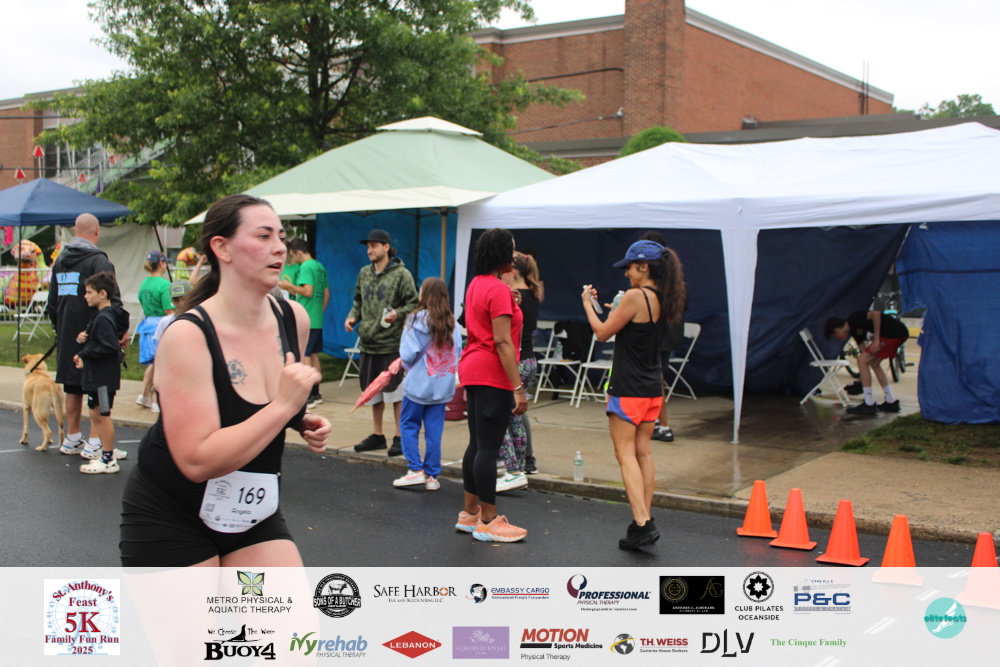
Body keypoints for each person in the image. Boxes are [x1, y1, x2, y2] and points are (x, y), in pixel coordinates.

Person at [119, 193, 331, 567]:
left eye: (281, 236)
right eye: (263, 236)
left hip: (251, 511)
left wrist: (299, 418)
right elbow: (197, 460)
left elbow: (259, 405)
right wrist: (284, 406)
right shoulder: (188, 335)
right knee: (202, 612)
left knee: (289, 609)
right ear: (222, 248)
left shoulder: (293, 318)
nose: (280, 248)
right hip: (172, 512)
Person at [583, 239, 686, 550]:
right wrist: (617, 312)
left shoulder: (635, 296)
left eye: (630, 267)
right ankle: (643, 518)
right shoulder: (665, 296)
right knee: (643, 453)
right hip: (652, 388)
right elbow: (637, 329)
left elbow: (602, 333)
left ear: (644, 266)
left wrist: (587, 303)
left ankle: (642, 522)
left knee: (625, 454)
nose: (626, 273)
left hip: (628, 388)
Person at [455, 228, 529, 543]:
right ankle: (488, 520)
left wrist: (510, 300)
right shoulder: (497, 289)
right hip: (491, 372)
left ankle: (469, 514)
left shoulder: (477, 283)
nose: (514, 255)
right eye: (511, 250)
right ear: (500, 254)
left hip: (472, 367)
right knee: (488, 447)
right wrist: (518, 387)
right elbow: (502, 341)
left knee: (477, 444)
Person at [47, 212, 129, 458]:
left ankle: (72, 438)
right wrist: (119, 330)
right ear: (97, 231)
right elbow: (111, 297)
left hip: (67, 333)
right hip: (95, 333)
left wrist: (59, 328)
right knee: (96, 387)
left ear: (75, 231)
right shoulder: (98, 260)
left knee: (72, 385)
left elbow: (53, 302)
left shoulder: (60, 261)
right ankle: (95, 442)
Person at [344, 229, 418, 456]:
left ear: (386, 247)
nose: (370, 250)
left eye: (374, 245)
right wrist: (352, 317)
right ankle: (377, 435)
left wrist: (398, 313)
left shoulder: (402, 274)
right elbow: (357, 301)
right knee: (373, 390)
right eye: (368, 246)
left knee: (395, 392)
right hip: (369, 342)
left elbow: (413, 303)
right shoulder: (364, 273)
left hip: (392, 343)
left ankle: (399, 436)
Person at [392, 277, 462, 491]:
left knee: (409, 425)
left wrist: (404, 364)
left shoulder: (414, 320)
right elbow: (458, 352)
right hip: (441, 386)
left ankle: (415, 470)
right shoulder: (452, 323)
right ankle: (432, 476)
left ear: (424, 294)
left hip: (417, 385)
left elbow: (408, 354)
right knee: (434, 431)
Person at [73, 272, 128, 474]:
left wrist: (85, 354)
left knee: (103, 415)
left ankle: (108, 458)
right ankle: (104, 452)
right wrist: (84, 340)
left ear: (102, 294)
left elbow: (109, 346)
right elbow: (98, 340)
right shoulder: (99, 316)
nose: (85, 296)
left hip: (103, 377)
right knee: (95, 413)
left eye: (89, 292)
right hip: (95, 376)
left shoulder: (104, 317)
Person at [497, 251, 542, 491]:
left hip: (516, 361)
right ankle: (521, 466)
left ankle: (512, 467)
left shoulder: (516, 297)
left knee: (500, 418)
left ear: (514, 270)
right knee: (515, 415)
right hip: (529, 360)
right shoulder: (532, 294)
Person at [638, 231, 687, 443]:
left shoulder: (658, 283)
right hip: (665, 338)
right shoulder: (673, 278)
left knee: (655, 382)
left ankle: (664, 426)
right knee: (655, 381)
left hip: (658, 339)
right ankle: (656, 423)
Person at [825, 309, 909, 414]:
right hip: (898, 333)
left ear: (837, 329)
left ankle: (869, 403)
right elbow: (865, 355)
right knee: (874, 364)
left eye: (834, 336)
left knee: (861, 361)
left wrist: (876, 340)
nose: (838, 338)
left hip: (892, 333)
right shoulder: (855, 332)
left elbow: (876, 314)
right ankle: (890, 401)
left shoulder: (854, 318)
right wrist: (862, 379)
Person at [279, 239, 329, 408]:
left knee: (305, 355)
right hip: (317, 317)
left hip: (306, 317)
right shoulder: (319, 266)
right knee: (313, 355)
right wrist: (319, 312)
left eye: (293, 256)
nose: (293, 260)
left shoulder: (306, 267)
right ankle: (316, 392)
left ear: (298, 252)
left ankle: (308, 395)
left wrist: (288, 286)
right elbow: (326, 294)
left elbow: (307, 291)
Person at [135, 250, 174, 412]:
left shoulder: (144, 283)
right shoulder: (164, 285)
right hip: (160, 325)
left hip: (147, 325)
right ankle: (157, 401)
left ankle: (144, 395)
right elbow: (169, 310)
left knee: (154, 363)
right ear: (161, 264)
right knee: (161, 364)